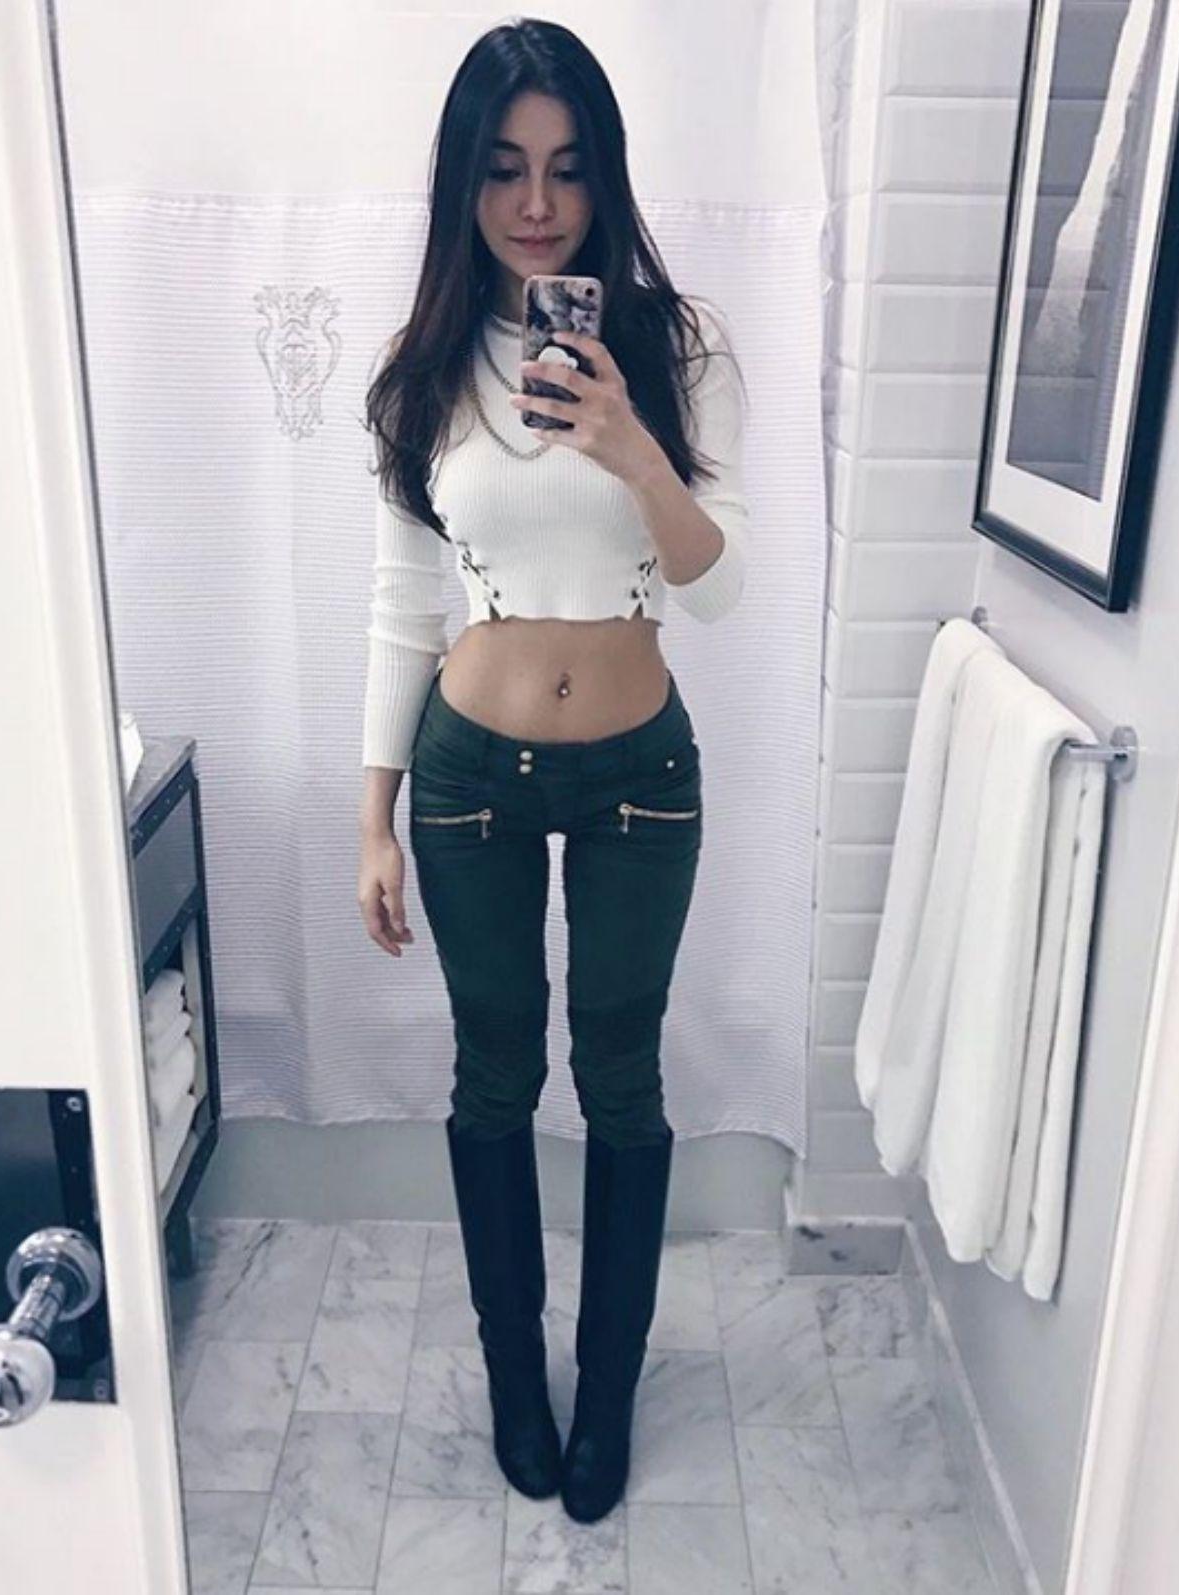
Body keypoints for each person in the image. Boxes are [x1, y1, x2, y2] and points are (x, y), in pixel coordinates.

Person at [356, 18, 748, 1525]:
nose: (538, 204)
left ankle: (611, 1393)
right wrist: (374, 822)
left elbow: (721, 587)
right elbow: (403, 607)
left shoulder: (677, 347)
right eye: (506, 168)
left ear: (607, 178)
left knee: (625, 1079)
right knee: (495, 1073)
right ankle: (517, 1378)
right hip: (469, 775)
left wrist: (634, 444)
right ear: (463, 179)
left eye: (569, 170)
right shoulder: (424, 373)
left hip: (641, 770)